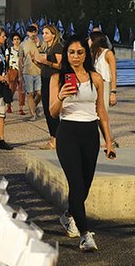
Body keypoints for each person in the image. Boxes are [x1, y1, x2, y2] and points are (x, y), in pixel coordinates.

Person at [50, 36, 117, 252]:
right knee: (76, 184)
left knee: (85, 186)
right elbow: (52, 112)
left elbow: (102, 112)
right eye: (71, 52)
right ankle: (85, 234)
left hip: (90, 134)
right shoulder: (57, 78)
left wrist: (109, 141)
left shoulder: (95, 78)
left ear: (85, 54)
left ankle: (69, 215)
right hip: (67, 133)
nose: (76, 56)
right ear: (66, 54)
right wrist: (60, 97)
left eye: (80, 52)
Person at [31, 24, 64, 148]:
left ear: (53, 34)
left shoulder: (57, 47)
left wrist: (47, 62)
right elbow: (46, 66)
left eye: (47, 33)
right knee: (46, 110)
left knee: (52, 110)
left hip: (53, 81)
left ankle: (56, 140)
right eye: (43, 33)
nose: (44, 35)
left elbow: (60, 66)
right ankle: (53, 138)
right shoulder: (47, 47)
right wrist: (38, 62)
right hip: (45, 79)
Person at [88, 31, 119, 149]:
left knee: (102, 113)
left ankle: (109, 139)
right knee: (97, 113)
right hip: (96, 85)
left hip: (105, 84)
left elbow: (113, 72)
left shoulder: (108, 53)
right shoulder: (94, 54)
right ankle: (108, 139)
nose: (88, 41)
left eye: (90, 39)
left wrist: (113, 91)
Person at [19, 24, 42, 120]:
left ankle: (34, 106)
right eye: (30, 32)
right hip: (27, 71)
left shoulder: (41, 42)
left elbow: (43, 55)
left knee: (40, 93)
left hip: (39, 70)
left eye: (34, 32)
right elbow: (20, 59)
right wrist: (20, 74)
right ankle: (33, 114)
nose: (33, 34)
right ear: (27, 33)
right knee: (30, 93)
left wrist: (38, 45)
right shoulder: (23, 44)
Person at [6, 33, 23, 114]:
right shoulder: (9, 50)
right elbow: (6, 61)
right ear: (12, 41)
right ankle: (8, 106)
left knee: (21, 90)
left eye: (18, 39)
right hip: (12, 71)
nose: (16, 41)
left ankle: (21, 108)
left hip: (22, 71)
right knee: (11, 89)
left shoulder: (23, 49)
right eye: (15, 39)